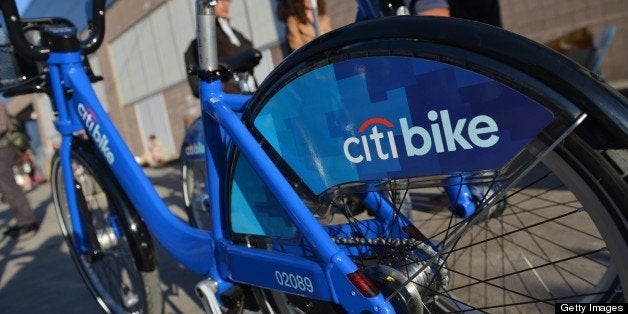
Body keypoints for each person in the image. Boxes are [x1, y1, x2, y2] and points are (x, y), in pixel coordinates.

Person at [184, 0, 254, 95]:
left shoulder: (236, 34)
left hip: (251, 90)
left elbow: (251, 51)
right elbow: (196, 84)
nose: (225, 4)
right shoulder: (204, 39)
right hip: (229, 96)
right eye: (221, 1)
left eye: (228, 1)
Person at [0, 106, 38, 239]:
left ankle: (27, 221)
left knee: (9, 188)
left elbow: (2, 126)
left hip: (3, 148)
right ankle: (23, 219)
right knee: (7, 189)